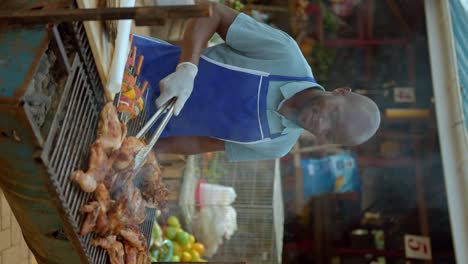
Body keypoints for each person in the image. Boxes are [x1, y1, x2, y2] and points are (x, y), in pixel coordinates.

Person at [134, 2, 380, 162]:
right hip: (133, 65)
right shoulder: (285, 55)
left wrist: (145, 148)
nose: (321, 125)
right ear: (341, 91)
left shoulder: (278, 146)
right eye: (334, 116)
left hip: (135, 126)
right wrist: (187, 68)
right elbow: (213, 12)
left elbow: (201, 141)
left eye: (330, 134)